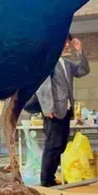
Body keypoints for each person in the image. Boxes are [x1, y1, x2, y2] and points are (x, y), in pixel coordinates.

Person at [36, 35, 90, 186]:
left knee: (61, 144)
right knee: (52, 144)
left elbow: (83, 70)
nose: (67, 45)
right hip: (53, 110)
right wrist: (47, 107)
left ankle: (51, 177)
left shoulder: (66, 63)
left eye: (68, 42)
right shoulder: (48, 62)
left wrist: (79, 51)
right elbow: (42, 84)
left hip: (66, 109)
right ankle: (46, 180)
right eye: (65, 41)